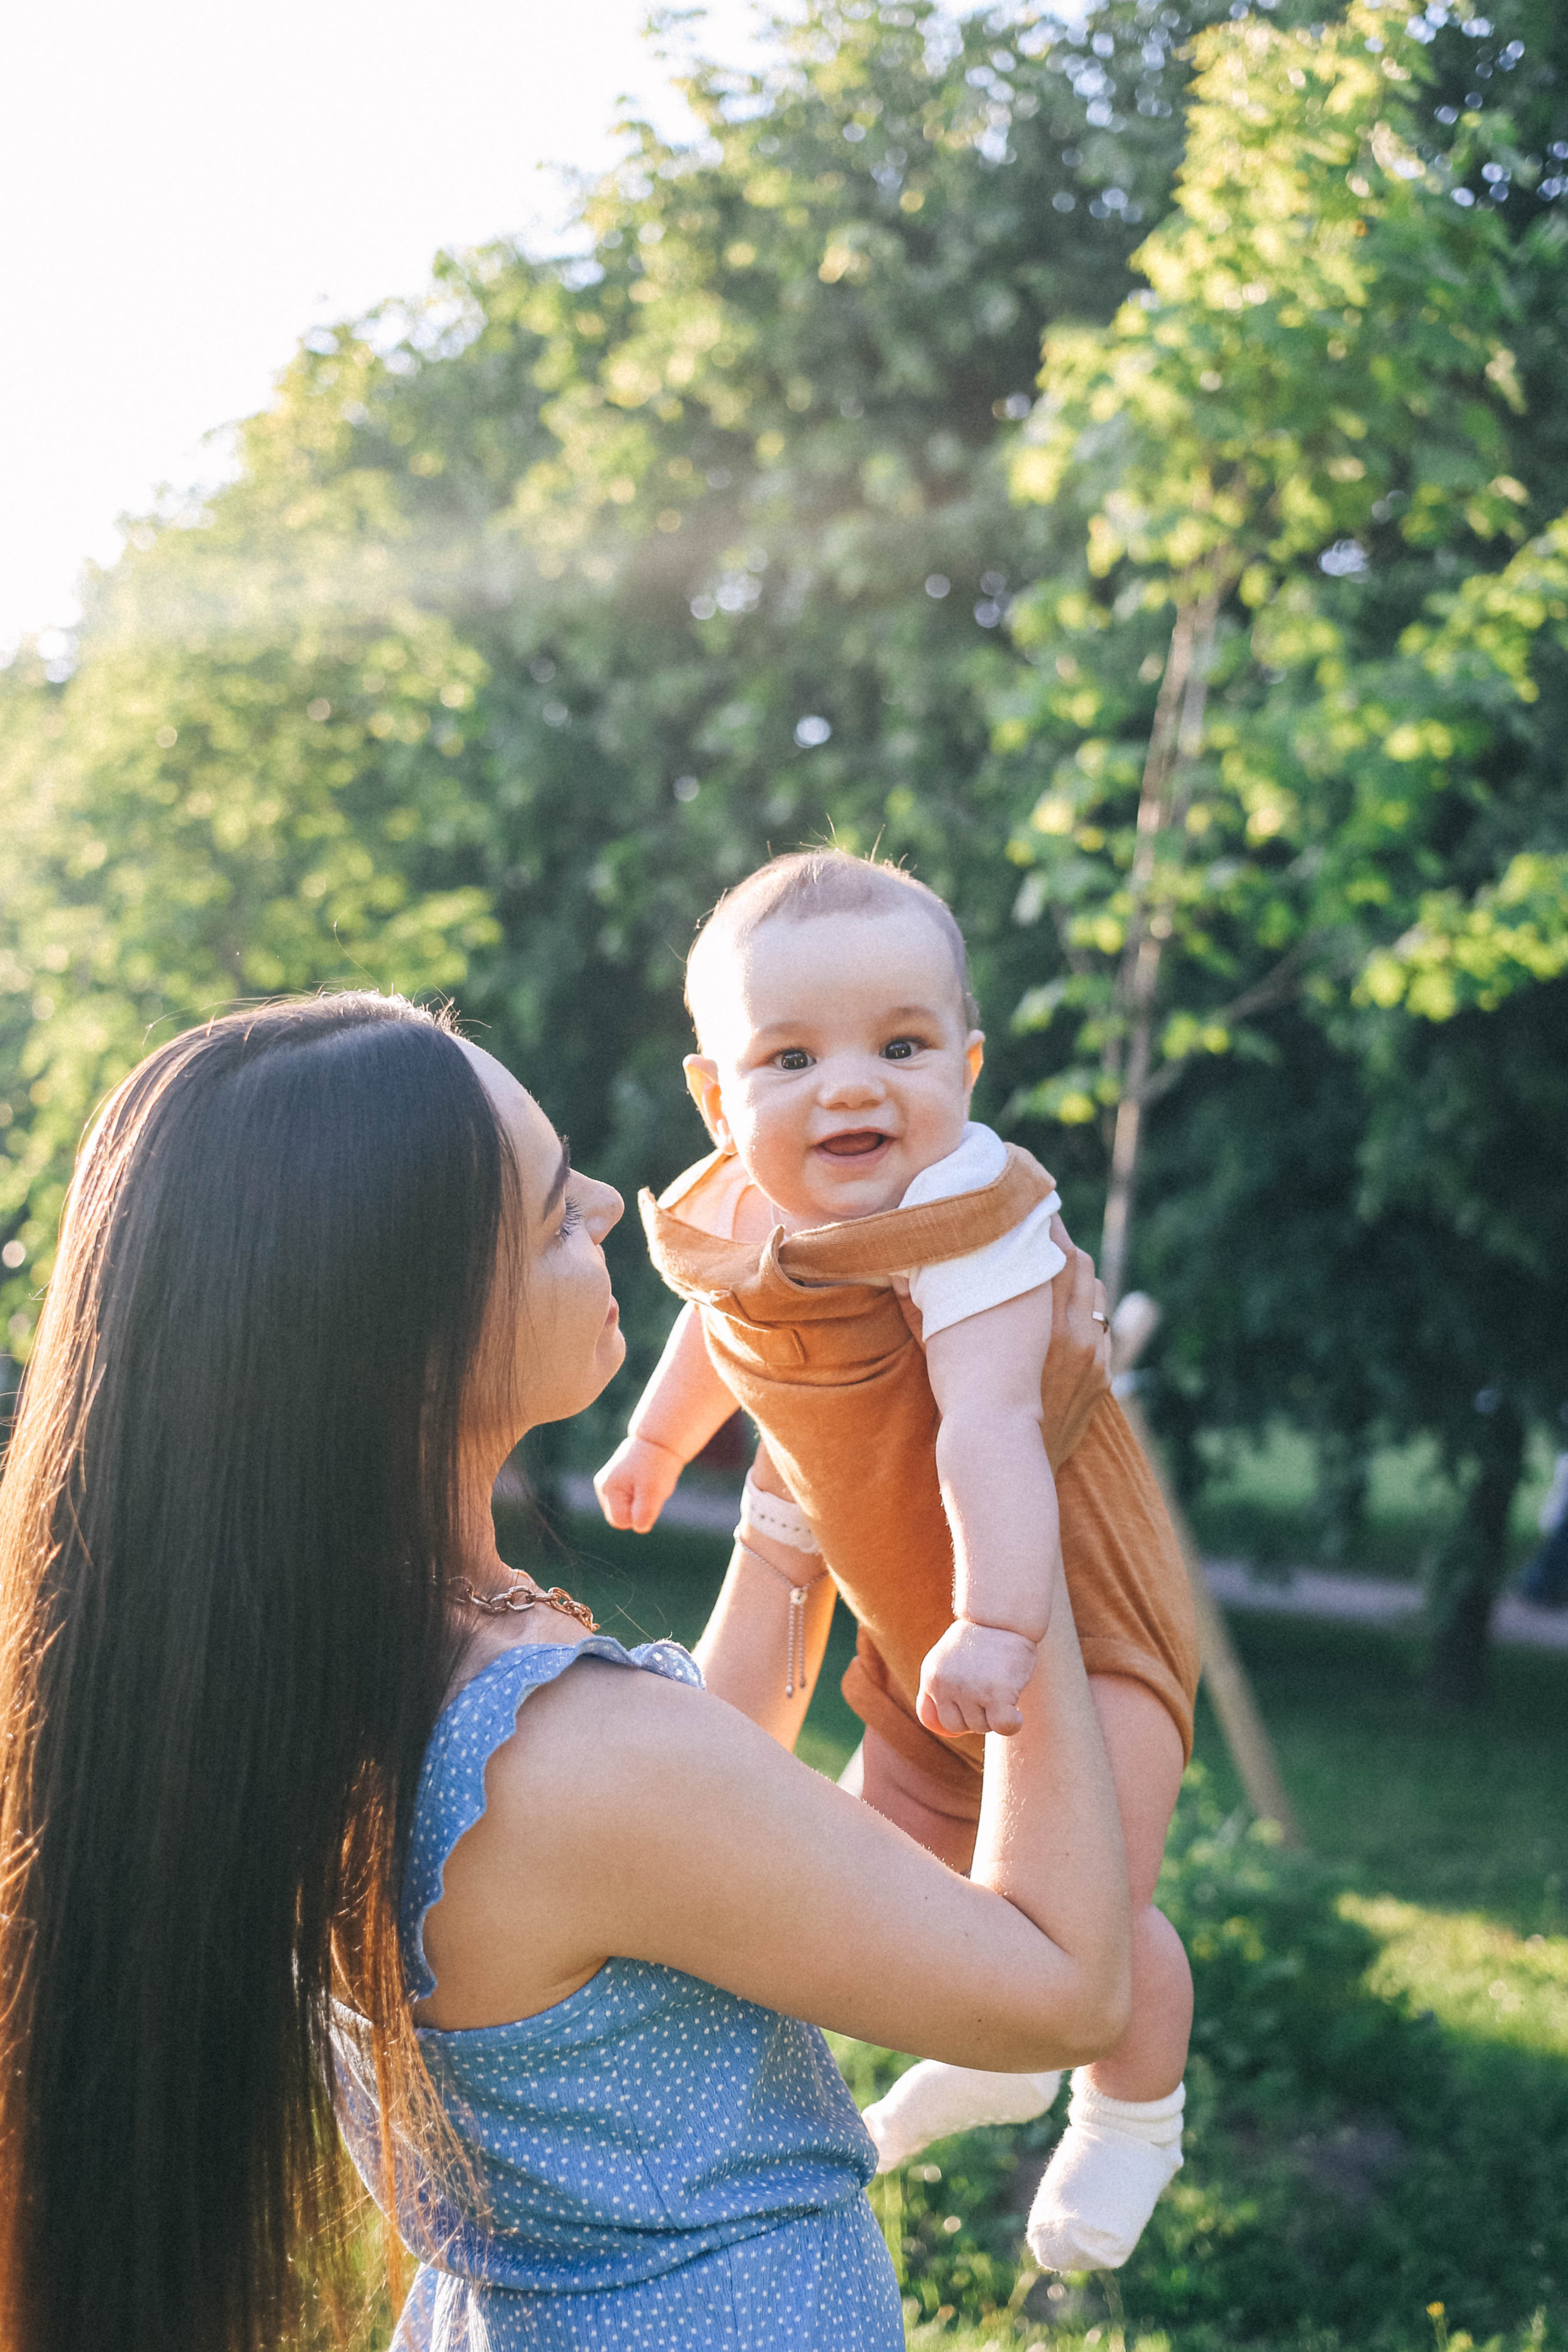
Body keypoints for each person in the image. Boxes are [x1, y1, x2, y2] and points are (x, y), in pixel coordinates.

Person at [0, 990, 1131, 2352]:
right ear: (405, 1346)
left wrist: (803, 1472)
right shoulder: (561, 1760)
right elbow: (1061, 1990)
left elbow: (695, 1814)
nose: (605, 1200)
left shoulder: (312, 1669)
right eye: (549, 1216)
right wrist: (1021, 1491)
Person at [595, 849, 1199, 2273]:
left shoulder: (970, 1219)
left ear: (968, 1064)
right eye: (791, 1056)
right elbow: (721, 1326)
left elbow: (991, 1424)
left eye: (901, 1045)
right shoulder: (744, 1207)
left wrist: (1002, 1624)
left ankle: (1130, 2115)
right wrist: (656, 1445)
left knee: (1096, 1914)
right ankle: (995, 2059)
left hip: (1068, 1610)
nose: (852, 1088)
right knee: (906, 1884)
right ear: (716, 1096)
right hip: (905, 1618)